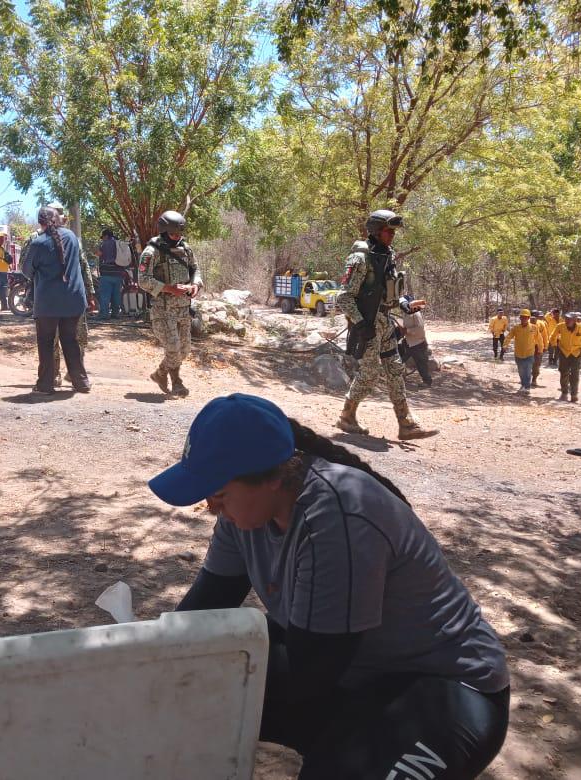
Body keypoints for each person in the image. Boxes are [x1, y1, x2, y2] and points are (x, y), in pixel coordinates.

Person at [149, 394, 510, 778]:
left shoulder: (337, 517)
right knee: (185, 690)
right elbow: (202, 611)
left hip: (446, 690)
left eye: (219, 494)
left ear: (272, 478)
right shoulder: (243, 519)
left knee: (218, 676)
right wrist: (149, 661)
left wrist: (200, 667)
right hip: (355, 673)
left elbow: (310, 673)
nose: (211, 507)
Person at [336, 209, 437, 440]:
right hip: (368, 324)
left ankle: (406, 424)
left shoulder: (387, 256)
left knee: (395, 370)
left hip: (385, 323)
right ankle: (347, 416)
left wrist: (405, 304)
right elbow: (345, 297)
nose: (391, 235)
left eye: (393, 231)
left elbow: (389, 292)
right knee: (370, 373)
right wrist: (361, 324)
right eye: (387, 230)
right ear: (375, 231)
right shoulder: (361, 258)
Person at [23, 206, 90, 393]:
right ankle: (81, 382)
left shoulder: (38, 243)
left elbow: (26, 271)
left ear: (40, 222)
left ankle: (45, 384)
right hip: (74, 300)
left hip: (48, 303)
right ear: (58, 219)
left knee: (46, 342)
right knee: (70, 340)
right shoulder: (72, 238)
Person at [138, 210, 203, 397]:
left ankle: (160, 373)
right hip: (163, 310)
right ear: (164, 231)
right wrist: (169, 288)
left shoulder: (186, 249)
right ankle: (176, 382)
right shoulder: (152, 251)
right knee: (173, 348)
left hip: (183, 308)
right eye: (174, 233)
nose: (177, 237)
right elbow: (143, 280)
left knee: (184, 350)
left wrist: (196, 285)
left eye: (180, 233)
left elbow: (195, 269)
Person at [549, 311, 581, 402]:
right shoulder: (560, 326)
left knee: (575, 374)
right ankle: (564, 393)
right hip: (564, 352)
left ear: (575, 320)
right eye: (566, 319)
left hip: (576, 353)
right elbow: (552, 336)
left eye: (570, 319)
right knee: (563, 373)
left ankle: (574, 394)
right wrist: (554, 345)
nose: (567, 321)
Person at [502, 309, 541, 394]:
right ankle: (523, 385)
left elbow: (539, 338)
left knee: (527, 370)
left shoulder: (534, 328)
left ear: (528, 318)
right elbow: (509, 336)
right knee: (521, 371)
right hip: (518, 353)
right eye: (522, 317)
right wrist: (505, 345)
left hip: (529, 353)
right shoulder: (516, 328)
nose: (523, 319)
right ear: (520, 318)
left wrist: (540, 349)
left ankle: (527, 387)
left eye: (525, 317)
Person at [399, 296, 432, 388]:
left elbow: (420, 329)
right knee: (400, 358)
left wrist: (407, 331)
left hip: (417, 343)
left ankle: (427, 382)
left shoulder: (415, 313)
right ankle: (399, 377)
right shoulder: (406, 312)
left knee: (421, 363)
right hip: (409, 342)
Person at [97, 227, 124, 319]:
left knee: (105, 295)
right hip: (119, 273)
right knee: (116, 295)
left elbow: (100, 254)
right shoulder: (119, 243)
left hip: (106, 273)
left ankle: (104, 314)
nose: (102, 239)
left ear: (106, 236)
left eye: (103, 237)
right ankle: (115, 313)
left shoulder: (104, 244)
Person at [529, 310, 548, 388]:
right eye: (532, 315)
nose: (534, 317)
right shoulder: (525, 324)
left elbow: (545, 335)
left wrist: (545, 346)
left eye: (536, 316)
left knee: (536, 363)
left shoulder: (541, 324)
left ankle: (534, 379)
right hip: (527, 347)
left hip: (537, 347)